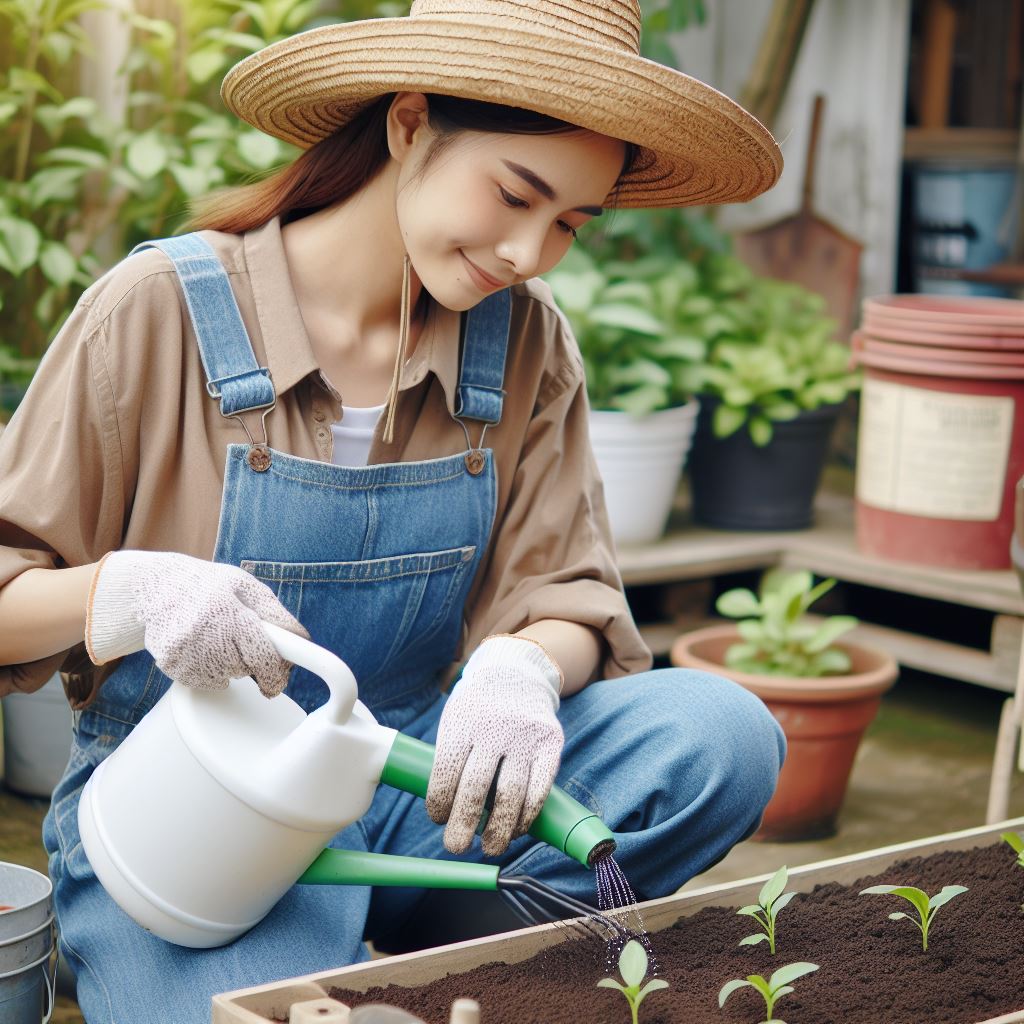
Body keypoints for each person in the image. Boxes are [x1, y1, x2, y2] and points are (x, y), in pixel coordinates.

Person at [0, 1, 787, 1020]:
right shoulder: (156, 311)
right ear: (409, 124)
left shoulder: (525, 345)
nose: (528, 252)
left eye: (569, 225)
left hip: (428, 799)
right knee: (258, 1008)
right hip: (203, 824)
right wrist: (123, 592)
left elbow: (567, 597)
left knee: (719, 733)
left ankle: (454, 957)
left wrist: (521, 669)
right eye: (515, 194)